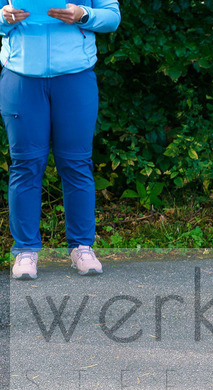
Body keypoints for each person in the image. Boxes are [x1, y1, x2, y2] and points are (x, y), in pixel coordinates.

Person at [1, 0, 121, 280]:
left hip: (75, 77)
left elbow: (112, 18)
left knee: (77, 163)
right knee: (26, 164)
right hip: (21, 78)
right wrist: (3, 17)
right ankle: (25, 251)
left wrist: (83, 14)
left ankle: (82, 247)